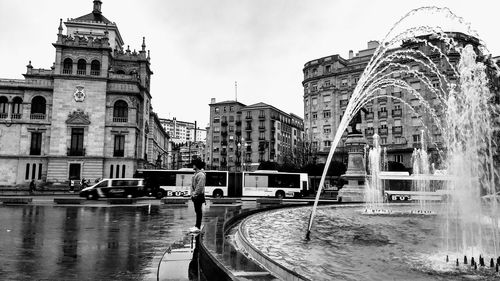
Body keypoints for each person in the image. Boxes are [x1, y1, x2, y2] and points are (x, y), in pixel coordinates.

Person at [189, 158, 206, 233]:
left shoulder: (201, 175)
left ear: (197, 165)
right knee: (197, 210)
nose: (193, 166)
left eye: (194, 164)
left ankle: (198, 226)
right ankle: (196, 225)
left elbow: (200, 186)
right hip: (196, 195)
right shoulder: (196, 174)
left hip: (198, 196)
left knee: (198, 211)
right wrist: (192, 194)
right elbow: (193, 186)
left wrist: (194, 194)